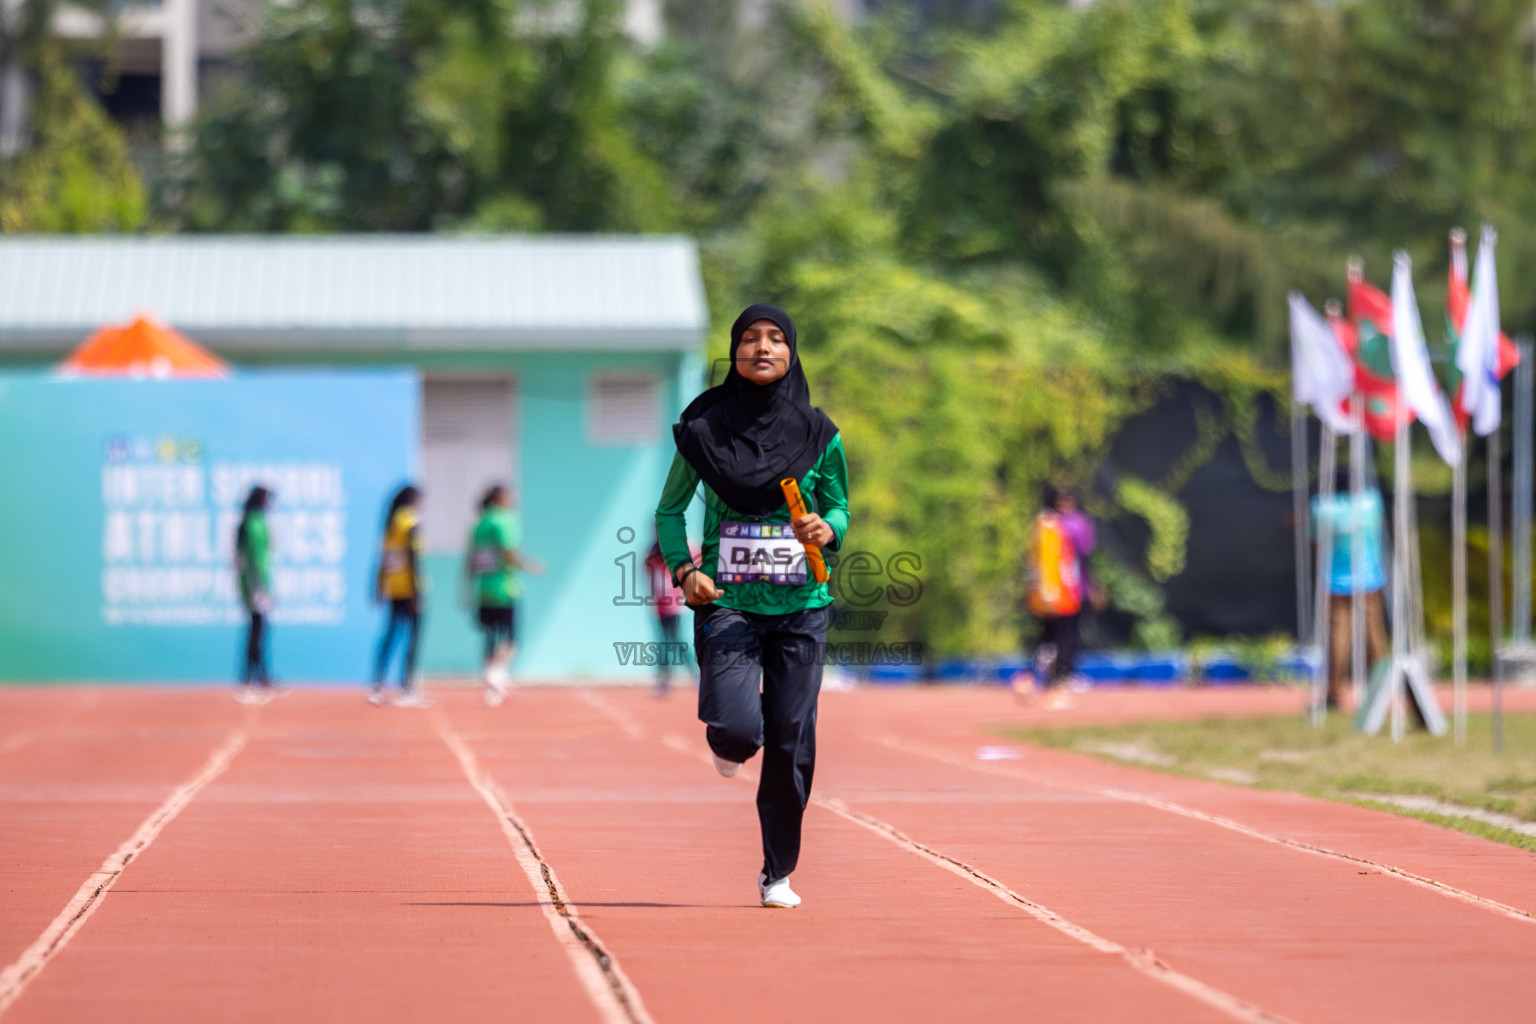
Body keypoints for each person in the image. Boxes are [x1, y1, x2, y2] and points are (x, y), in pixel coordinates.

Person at [655, 302, 848, 910]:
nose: (762, 348)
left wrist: (827, 528)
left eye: (775, 340)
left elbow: (840, 507)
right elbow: (668, 511)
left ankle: (778, 872)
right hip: (730, 603)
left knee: (792, 738)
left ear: (792, 353)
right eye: (749, 339)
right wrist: (685, 571)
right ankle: (729, 738)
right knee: (741, 733)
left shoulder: (821, 434)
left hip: (802, 604)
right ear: (733, 352)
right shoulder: (704, 432)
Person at [1310, 466, 1390, 712]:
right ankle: (1383, 689)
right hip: (1369, 580)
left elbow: (1315, 542)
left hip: (1335, 582)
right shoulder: (1371, 503)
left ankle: (1333, 693)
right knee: (1375, 636)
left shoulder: (1321, 508)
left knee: (1338, 638)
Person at [466, 484, 541, 706]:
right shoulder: (505, 521)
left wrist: (467, 589)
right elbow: (509, 554)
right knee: (511, 640)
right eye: (510, 495)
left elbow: (472, 561)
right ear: (501, 498)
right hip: (504, 588)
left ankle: (493, 688)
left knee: (490, 637)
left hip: (483, 588)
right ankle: (494, 675)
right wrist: (530, 566)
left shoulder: (479, 524)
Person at [1021, 484, 1087, 710]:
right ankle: (1052, 688)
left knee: (1047, 640)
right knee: (1059, 641)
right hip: (1058, 595)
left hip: (1050, 593)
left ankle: (1032, 680)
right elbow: (1048, 563)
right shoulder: (1050, 526)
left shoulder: (1043, 524)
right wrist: (1049, 592)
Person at [372, 485, 428, 707]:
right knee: (413, 638)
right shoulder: (411, 521)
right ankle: (407, 686)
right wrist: (417, 592)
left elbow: (385, 558)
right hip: (410, 588)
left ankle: (378, 683)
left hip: (394, 587)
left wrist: (379, 586)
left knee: (391, 635)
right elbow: (414, 558)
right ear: (413, 499)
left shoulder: (390, 523)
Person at [234, 485, 274, 700]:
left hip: (257, 584)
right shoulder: (252, 524)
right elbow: (253, 559)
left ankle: (260, 676)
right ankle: (250, 678)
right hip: (255, 585)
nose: (270, 504)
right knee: (257, 630)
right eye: (268, 499)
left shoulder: (256, 522)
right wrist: (260, 588)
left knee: (260, 630)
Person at [644, 536, 693, 698]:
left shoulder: (674, 548)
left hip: (673, 603)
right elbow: (649, 575)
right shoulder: (653, 551)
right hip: (659, 604)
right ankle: (664, 681)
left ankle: (695, 675)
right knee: (663, 643)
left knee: (677, 641)